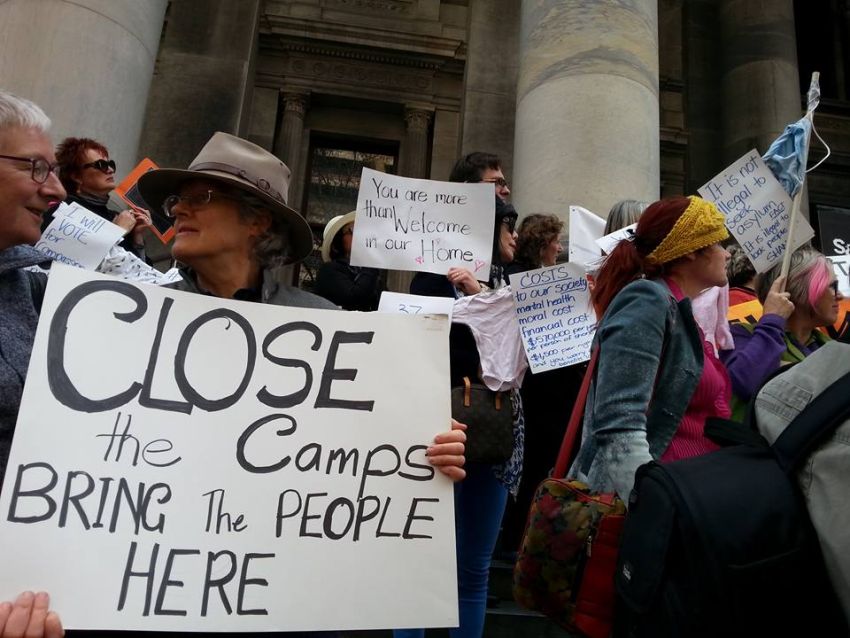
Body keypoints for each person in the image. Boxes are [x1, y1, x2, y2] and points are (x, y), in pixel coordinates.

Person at [400, 196, 521, 638]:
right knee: (417, 565)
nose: (515, 235)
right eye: (509, 225)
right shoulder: (429, 281)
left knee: (473, 568)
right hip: (434, 431)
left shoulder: (505, 280)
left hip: (492, 435)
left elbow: (522, 350)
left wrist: (479, 295)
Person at [571, 196, 733, 502]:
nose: (726, 254)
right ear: (690, 251)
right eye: (718, 243)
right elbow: (620, 422)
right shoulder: (647, 299)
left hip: (687, 491)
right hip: (658, 502)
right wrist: (649, 503)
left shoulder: (674, 308)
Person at [500, 212, 585, 552]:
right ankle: (520, 539)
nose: (559, 247)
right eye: (555, 242)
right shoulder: (527, 281)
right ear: (542, 245)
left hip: (542, 389)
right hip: (542, 390)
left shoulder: (540, 279)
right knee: (536, 466)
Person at [720, 246, 843, 416]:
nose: (840, 295)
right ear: (800, 290)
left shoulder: (830, 348)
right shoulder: (739, 336)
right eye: (832, 286)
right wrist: (772, 321)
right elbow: (748, 382)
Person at [52, 136, 151, 257]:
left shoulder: (116, 216)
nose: (110, 170)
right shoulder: (60, 210)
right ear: (76, 176)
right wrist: (116, 231)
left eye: (111, 164)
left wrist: (137, 238)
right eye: (101, 165)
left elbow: (138, 272)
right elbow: (72, 260)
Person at [314, 210, 382, 310]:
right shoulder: (329, 270)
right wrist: (370, 261)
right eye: (353, 230)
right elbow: (355, 298)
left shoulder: (363, 270)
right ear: (338, 240)